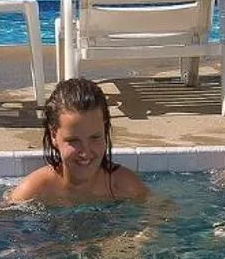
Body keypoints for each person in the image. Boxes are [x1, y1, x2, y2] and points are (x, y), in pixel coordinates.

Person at [9, 78, 151, 205]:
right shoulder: (34, 191)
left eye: (95, 137)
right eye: (73, 140)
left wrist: (139, 235)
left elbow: (159, 216)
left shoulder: (126, 186)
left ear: (105, 131)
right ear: (53, 136)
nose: (85, 152)